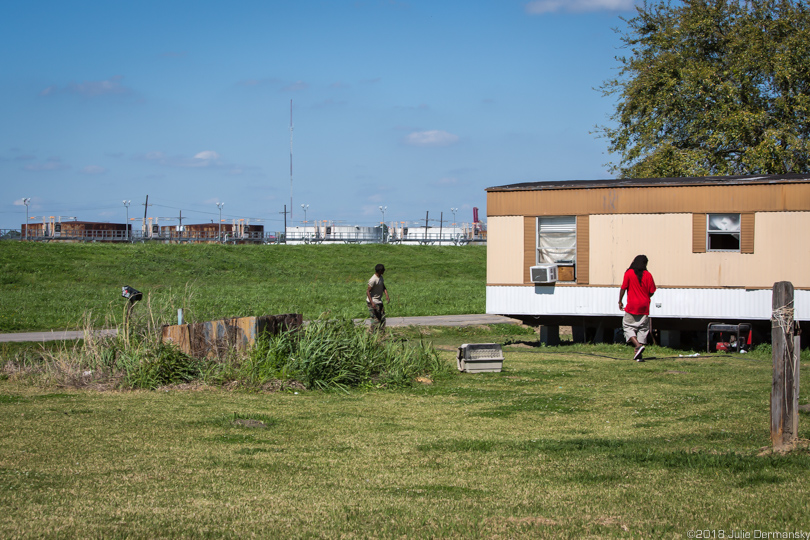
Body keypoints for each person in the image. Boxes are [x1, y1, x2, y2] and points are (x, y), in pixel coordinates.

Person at [618, 255, 656, 362]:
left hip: (632, 306)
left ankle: (637, 345)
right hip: (644, 306)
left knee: (628, 327)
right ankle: (638, 353)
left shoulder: (629, 273)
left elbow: (623, 288)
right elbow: (652, 291)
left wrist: (620, 301)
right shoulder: (648, 275)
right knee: (642, 329)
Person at [366, 263, 390, 333]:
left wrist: (387, 295)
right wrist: (372, 303)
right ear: (380, 271)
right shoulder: (373, 280)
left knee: (382, 319)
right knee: (375, 321)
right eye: (383, 270)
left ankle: (381, 335)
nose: (384, 271)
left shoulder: (381, 277)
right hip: (373, 302)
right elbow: (367, 291)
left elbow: (383, 286)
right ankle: (372, 335)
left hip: (379, 301)